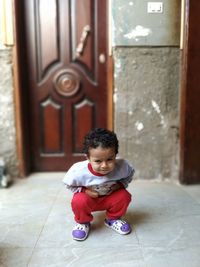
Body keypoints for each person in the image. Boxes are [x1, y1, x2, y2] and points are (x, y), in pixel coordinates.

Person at [63, 128, 135, 241]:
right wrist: (85, 191)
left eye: (110, 159)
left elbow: (130, 174)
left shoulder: (122, 166)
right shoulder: (78, 171)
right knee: (79, 200)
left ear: (115, 155)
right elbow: (68, 184)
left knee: (124, 195)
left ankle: (113, 219)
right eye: (98, 161)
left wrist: (120, 185)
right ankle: (83, 222)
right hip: (90, 200)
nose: (104, 165)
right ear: (88, 157)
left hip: (109, 198)